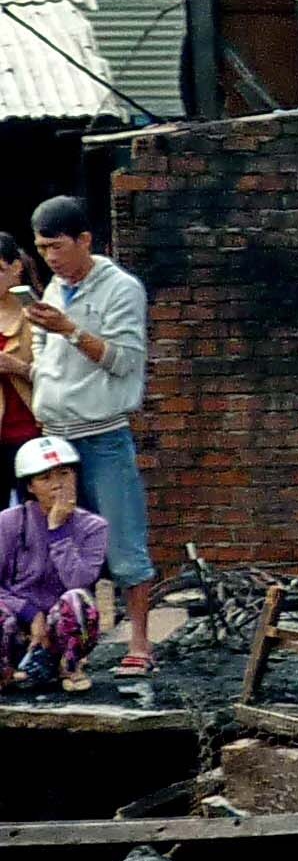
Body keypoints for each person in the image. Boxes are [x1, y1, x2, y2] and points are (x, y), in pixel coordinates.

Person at [23, 198, 150, 675]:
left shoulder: (121, 288)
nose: (51, 258)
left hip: (102, 434)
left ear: (84, 241)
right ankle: (60, 645)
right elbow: (45, 360)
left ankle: (140, 643)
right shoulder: (54, 289)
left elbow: (123, 361)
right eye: (41, 249)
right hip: (56, 436)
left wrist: (71, 330)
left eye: (57, 247)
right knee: (54, 542)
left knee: (122, 541)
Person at [0, 438, 110, 692]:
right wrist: (30, 613)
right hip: (17, 621)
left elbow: (79, 581)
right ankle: (6, 670)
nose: (58, 484)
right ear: (30, 486)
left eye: (64, 474)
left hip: (59, 626)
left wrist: (57, 530)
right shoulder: (9, 521)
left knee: (78, 601)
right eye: (45, 478)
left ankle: (69, 666)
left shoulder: (93, 527)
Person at [0, 232, 38, 482]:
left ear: (16, 267)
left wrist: (17, 367)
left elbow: (60, 375)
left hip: (31, 432)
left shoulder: (36, 313)